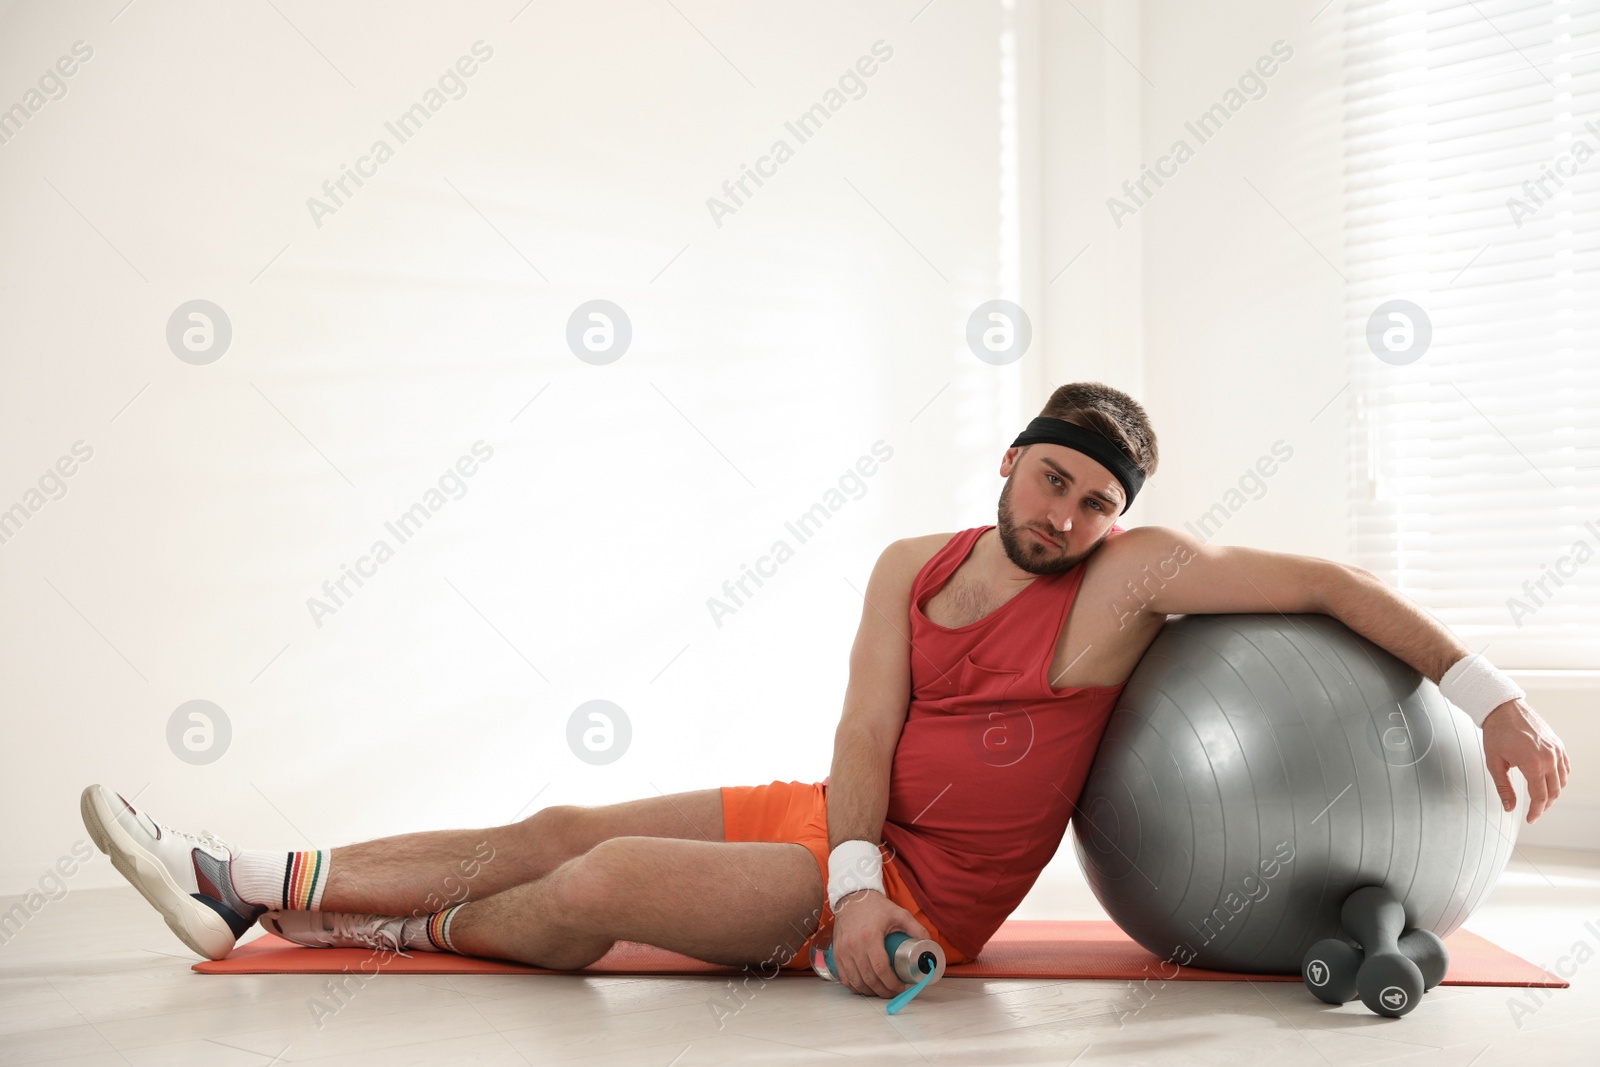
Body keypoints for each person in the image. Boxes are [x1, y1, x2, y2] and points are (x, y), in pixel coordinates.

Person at [79, 381, 1570, 1001]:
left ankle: (380, 925)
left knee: (599, 878)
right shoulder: (910, 566)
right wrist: (842, 871)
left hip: (937, 892)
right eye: (1053, 482)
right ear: (1008, 457)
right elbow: (864, 735)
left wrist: (1495, 697)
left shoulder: (1135, 580)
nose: (1064, 520)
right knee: (558, 816)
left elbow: (1328, 593)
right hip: (845, 835)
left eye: (1094, 504)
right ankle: (247, 878)